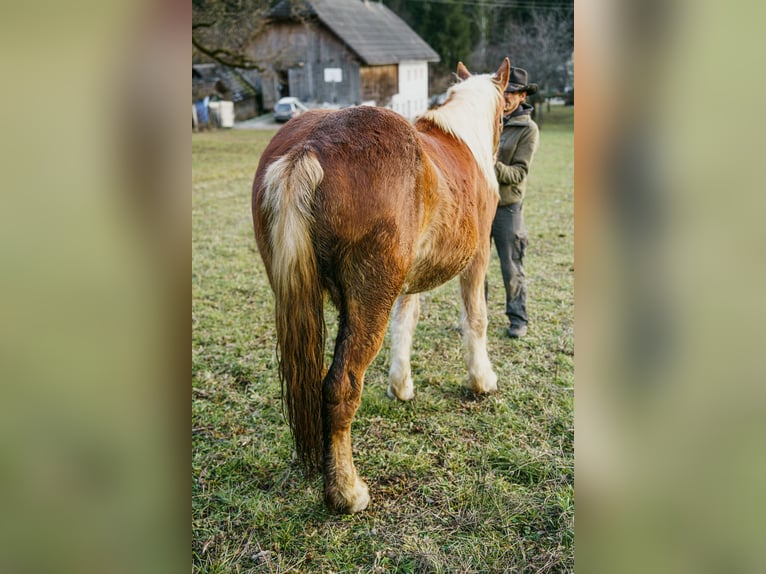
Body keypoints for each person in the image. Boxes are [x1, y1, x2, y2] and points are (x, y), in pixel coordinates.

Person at [491, 66, 539, 338]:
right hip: (480, 203)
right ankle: (477, 318)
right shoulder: (491, 119)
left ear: (522, 96)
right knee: (473, 268)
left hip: (507, 207)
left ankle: (518, 319)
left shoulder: (528, 130)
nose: (506, 96)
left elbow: (518, 173)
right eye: (504, 91)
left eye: (512, 93)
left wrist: (491, 163)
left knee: (511, 265)